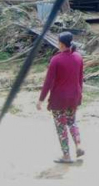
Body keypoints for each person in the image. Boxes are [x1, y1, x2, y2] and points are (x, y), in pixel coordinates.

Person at [37, 32, 85, 164]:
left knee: (61, 126)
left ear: (61, 44)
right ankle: (79, 145)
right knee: (72, 122)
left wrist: (41, 99)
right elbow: (80, 80)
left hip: (59, 99)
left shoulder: (56, 60)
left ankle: (66, 156)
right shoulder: (78, 57)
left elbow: (48, 82)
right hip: (74, 97)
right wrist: (79, 96)